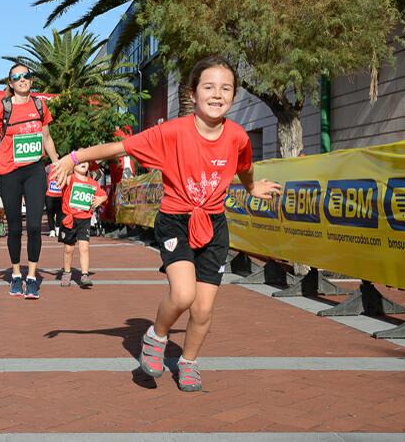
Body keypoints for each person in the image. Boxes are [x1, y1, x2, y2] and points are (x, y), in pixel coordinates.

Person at [52, 55, 281, 391]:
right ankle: (156, 337)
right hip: (176, 221)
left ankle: (188, 363)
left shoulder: (237, 136)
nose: (217, 94)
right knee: (184, 294)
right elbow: (120, 147)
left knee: (203, 309)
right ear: (192, 93)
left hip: (214, 224)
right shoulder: (172, 132)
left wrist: (251, 186)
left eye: (226, 88)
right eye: (209, 87)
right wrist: (74, 158)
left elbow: (244, 165)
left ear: (234, 95)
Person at [0, 64, 59, 299]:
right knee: (14, 227)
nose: (22, 79)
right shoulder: (4, 108)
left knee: (33, 226)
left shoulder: (41, 105)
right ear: (11, 83)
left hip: (35, 171)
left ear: (31, 81)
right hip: (9, 173)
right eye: (17, 77)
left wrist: (58, 163)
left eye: (26, 76)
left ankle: (31, 277)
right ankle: (15, 274)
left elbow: (47, 138)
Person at [58, 159, 107, 288]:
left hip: (84, 219)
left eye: (85, 161)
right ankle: (67, 272)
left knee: (84, 247)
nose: (83, 163)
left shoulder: (92, 183)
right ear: (73, 166)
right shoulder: (70, 179)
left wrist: (100, 199)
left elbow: (104, 195)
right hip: (70, 219)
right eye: (79, 162)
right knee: (69, 249)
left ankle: (84, 275)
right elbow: (61, 175)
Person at [45, 164, 63, 238]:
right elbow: (44, 177)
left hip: (60, 194)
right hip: (49, 194)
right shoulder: (48, 167)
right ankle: (52, 230)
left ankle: (58, 227)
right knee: (50, 212)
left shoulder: (63, 166)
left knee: (59, 212)